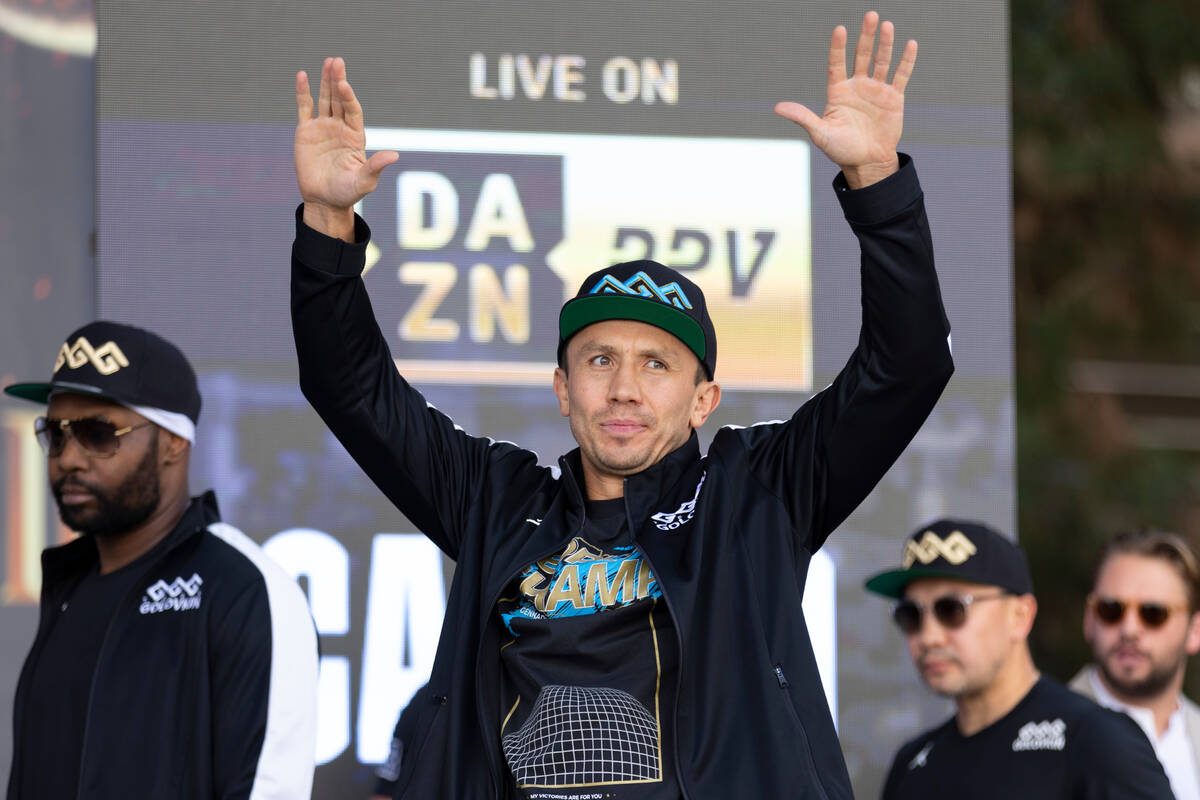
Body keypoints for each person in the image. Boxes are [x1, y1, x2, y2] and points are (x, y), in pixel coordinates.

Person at [292, 11, 952, 799]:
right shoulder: (495, 503)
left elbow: (906, 365)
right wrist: (330, 224)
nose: (625, 387)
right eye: (600, 360)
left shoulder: (757, 492)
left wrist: (878, 183)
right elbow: (351, 387)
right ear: (563, 388)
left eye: (657, 364)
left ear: (704, 397)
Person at [3, 320, 319, 800]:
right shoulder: (68, 587)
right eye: (57, 433)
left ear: (175, 442)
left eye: (98, 433)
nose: (68, 458)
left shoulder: (243, 588)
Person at [868, 518, 1173, 799]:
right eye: (910, 615)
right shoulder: (913, 762)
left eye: (952, 609)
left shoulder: (1095, 741)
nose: (929, 636)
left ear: (1020, 616)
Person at [1072, 528, 1200, 800]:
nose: (1129, 629)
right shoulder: (1043, 733)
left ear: (1195, 631)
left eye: (1153, 613)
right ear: (1089, 619)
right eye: (1111, 609)